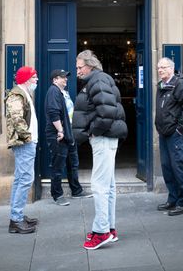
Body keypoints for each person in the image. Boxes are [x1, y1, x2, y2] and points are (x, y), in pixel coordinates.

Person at [73, 50, 128, 250]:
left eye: (80, 67)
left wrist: (93, 132)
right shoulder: (98, 80)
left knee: (99, 186)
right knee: (108, 186)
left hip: (104, 138)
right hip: (107, 138)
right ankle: (109, 229)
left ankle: (101, 232)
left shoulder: (97, 81)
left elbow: (107, 112)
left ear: (91, 66)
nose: (77, 71)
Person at [45, 68, 93, 206]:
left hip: (69, 133)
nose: (66, 79)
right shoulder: (53, 91)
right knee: (58, 166)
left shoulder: (63, 93)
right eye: (62, 77)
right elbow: (53, 113)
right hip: (59, 135)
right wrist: (60, 131)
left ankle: (76, 191)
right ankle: (57, 195)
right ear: (55, 80)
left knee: (73, 163)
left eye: (66, 77)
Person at [155, 57, 183, 216]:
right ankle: (173, 199)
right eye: (158, 68)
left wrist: (179, 130)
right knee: (167, 168)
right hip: (164, 134)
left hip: (175, 135)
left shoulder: (179, 84)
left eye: (163, 67)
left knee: (177, 168)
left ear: (171, 68)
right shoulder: (161, 85)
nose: (160, 70)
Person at [5, 66, 40, 234]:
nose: (36, 80)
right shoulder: (17, 94)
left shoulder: (24, 94)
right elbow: (17, 118)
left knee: (20, 179)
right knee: (26, 179)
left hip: (26, 142)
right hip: (24, 143)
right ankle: (16, 220)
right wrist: (28, 137)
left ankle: (16, 215)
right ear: (26, 79)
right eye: (34, 78)